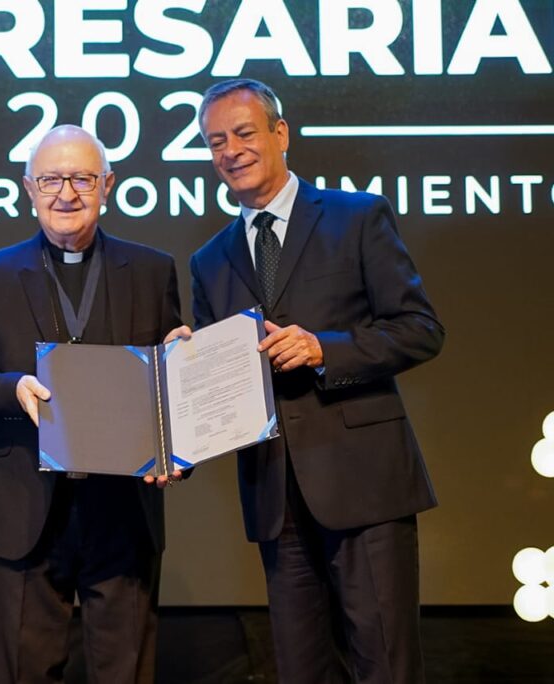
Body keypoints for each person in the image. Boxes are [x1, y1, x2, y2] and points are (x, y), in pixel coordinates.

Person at [167, 78, 444, 683]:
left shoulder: (356, 216)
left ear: (281, 133)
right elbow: (221, 384)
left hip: (364, 484)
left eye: (244, 133)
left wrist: (325, 349)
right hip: (275, 496)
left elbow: (420, 329)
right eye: (216, 142)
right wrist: (183, 398)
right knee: (301, 670)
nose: (230, 151)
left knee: (386, 664)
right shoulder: (209, 260)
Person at [0, 125, 181, 684]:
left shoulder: (152, 270)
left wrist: (183, 375)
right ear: (28, 188)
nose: (66, 193)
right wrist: (12, 389)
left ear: (108, 185)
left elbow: (169, 378)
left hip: (124, 509)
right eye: (50, 180)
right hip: (25, 508)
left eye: (82, 179)